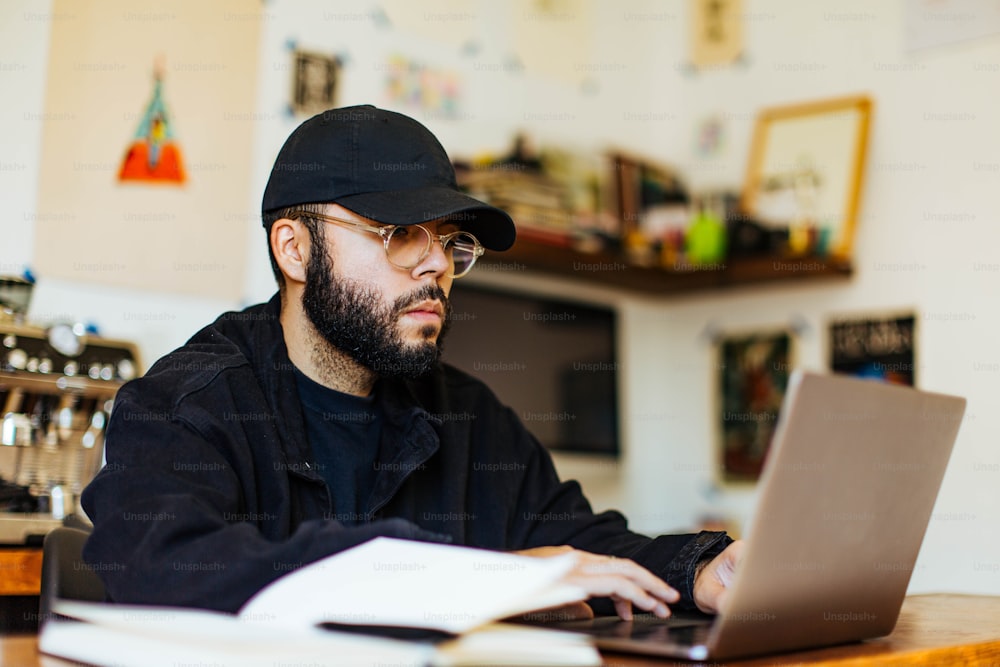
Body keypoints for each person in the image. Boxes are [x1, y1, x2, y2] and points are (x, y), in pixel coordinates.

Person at [82, 104, 742, 620]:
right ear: (295, 250)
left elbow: (581, 543)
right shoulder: (186, 402)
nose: (437, 265)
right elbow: (167, 569)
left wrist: (701, 569)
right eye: (400, 234)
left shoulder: (469, 416)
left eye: (451, 242)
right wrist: (489, 578)